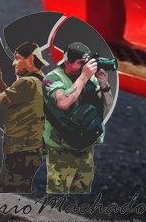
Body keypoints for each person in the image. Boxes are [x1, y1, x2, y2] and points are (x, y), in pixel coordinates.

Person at [42, 41, 110, 194]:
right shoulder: (52, 79)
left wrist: (104, 85)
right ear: (67, 62)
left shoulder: (88, 78)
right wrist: (84, 77)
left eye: (86, 63)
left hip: (85, 146)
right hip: (62, 149)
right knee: (58, 195)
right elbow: (63, 103)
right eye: (80, 63)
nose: (84, 67)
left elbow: (106, 105)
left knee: (82, 193)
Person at [0, 41, 44, 193]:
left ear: (30, 59)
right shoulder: (38, 81)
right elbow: (10, 101)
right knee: (19, 190)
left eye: (17, 58)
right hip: (31, 149)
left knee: (12, 193)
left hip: (20, 150)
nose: (13, 63)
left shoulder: (27, 83)